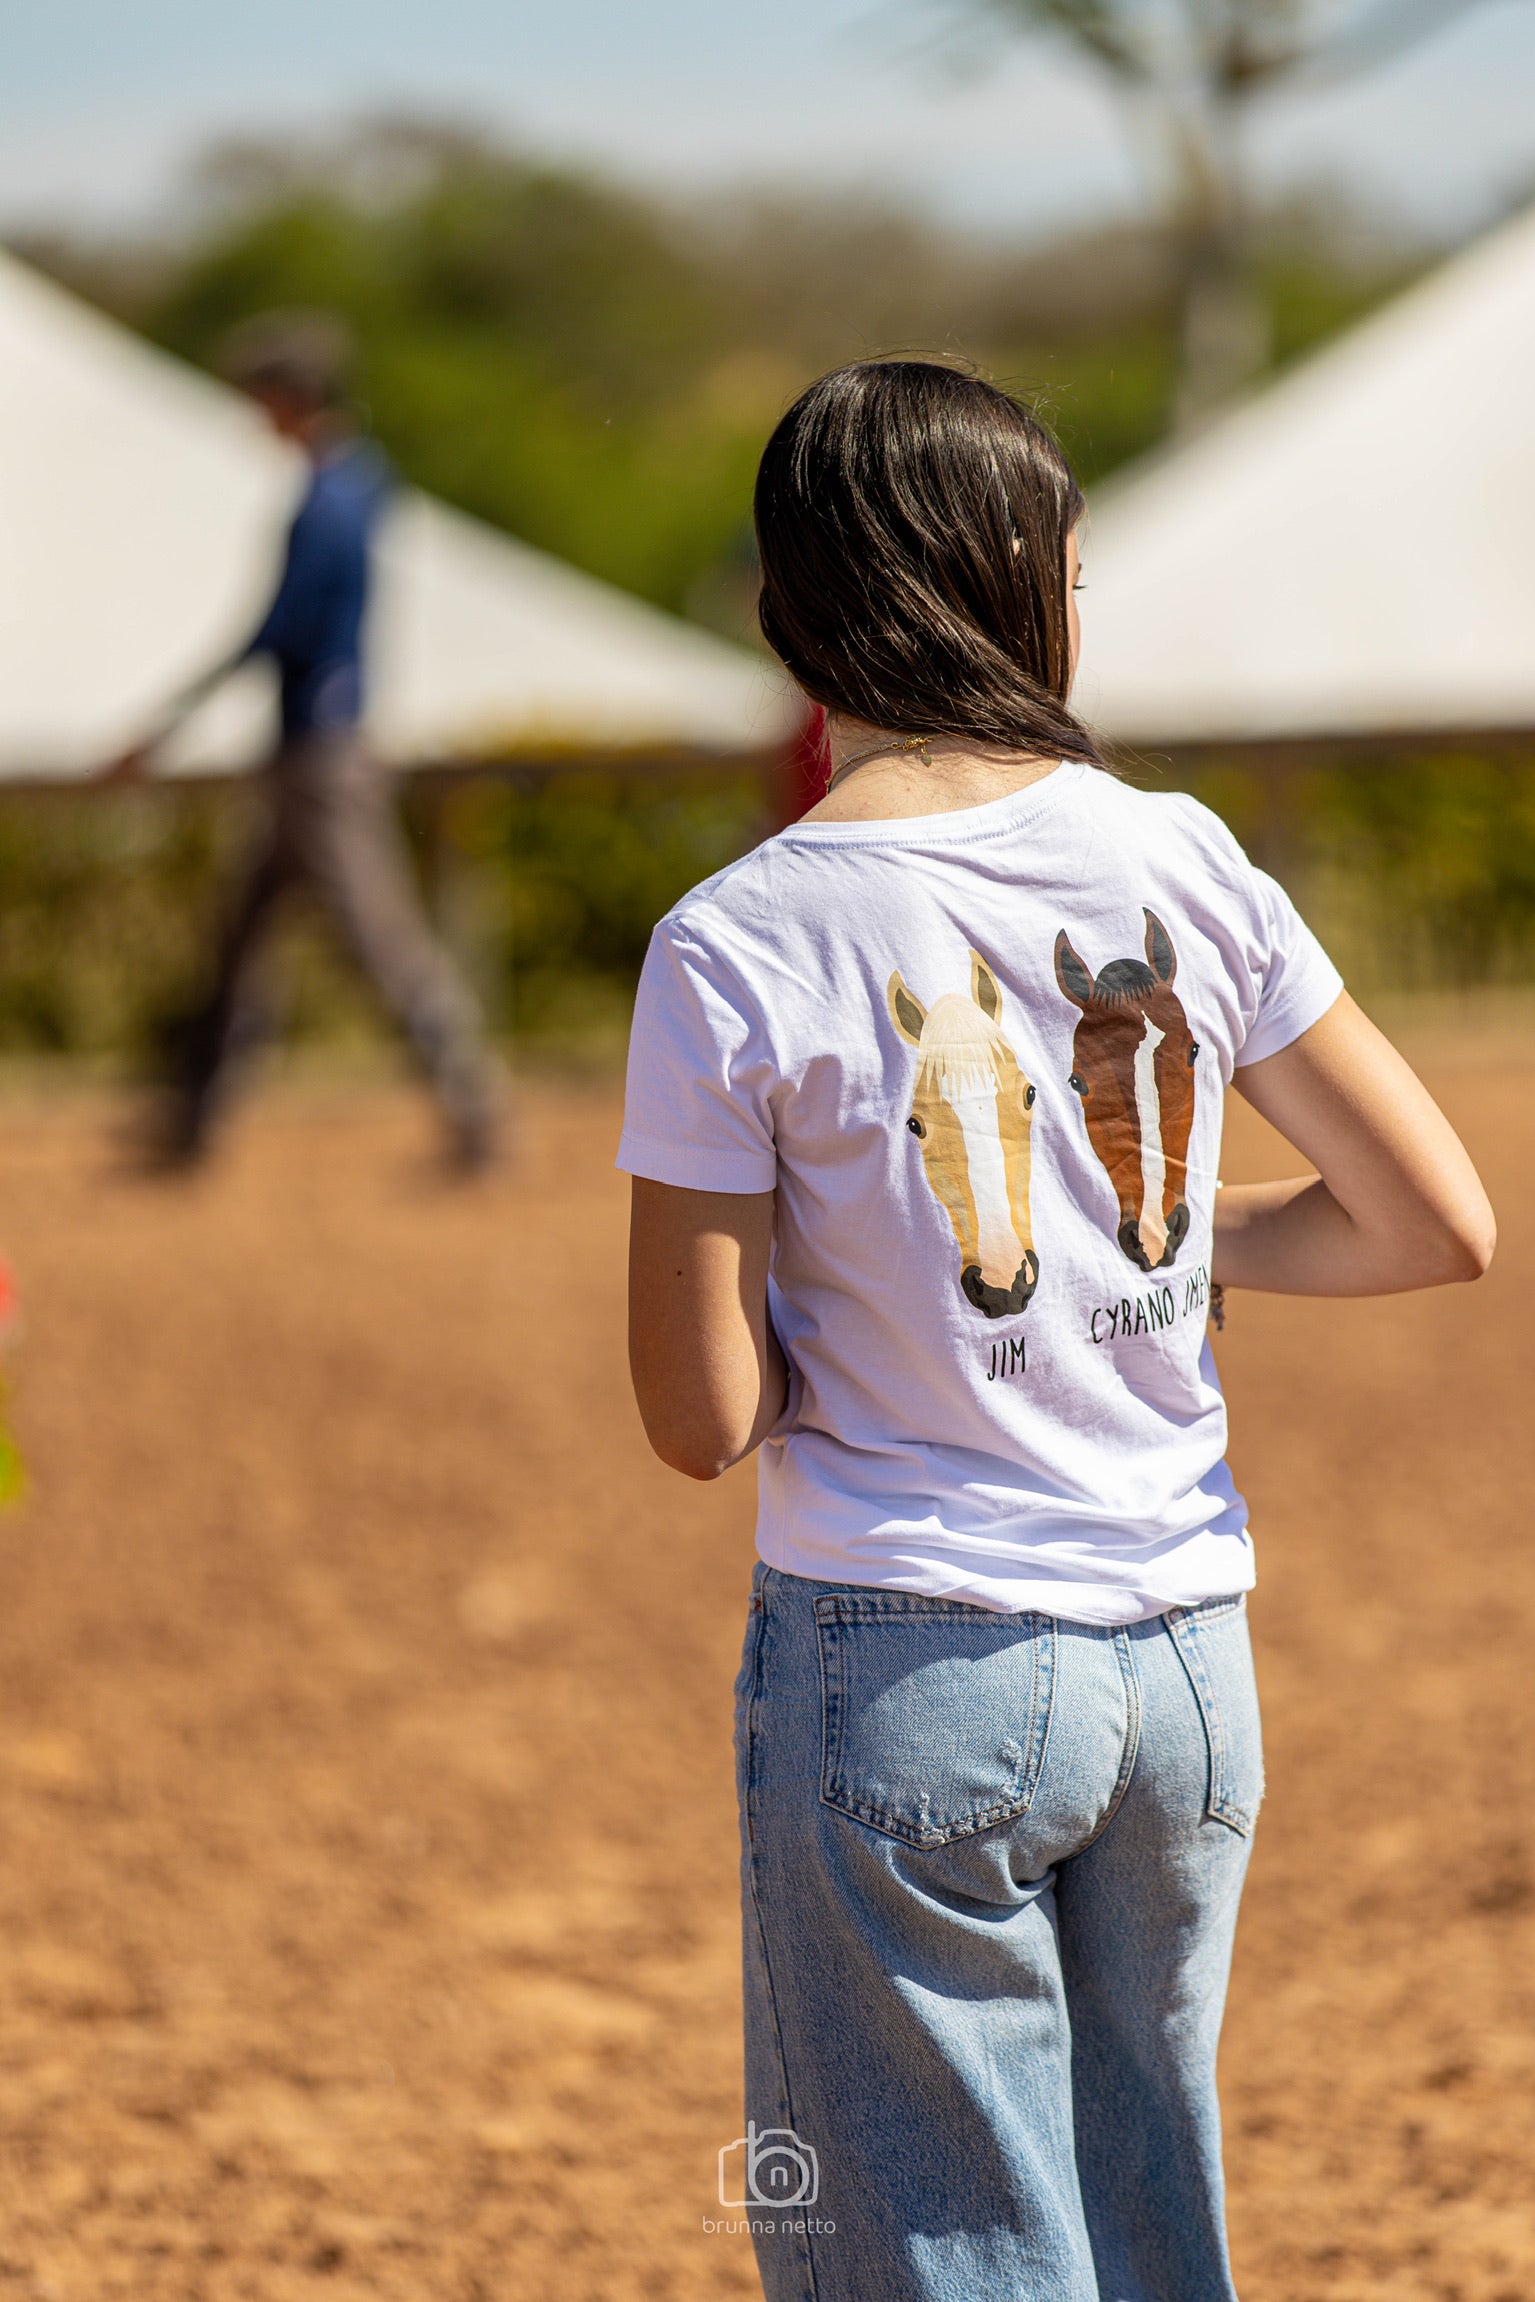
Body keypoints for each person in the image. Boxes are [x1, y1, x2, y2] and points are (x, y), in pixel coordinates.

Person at [619, 361, 1495, 2302]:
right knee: (1145, 2219)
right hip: (1185, 1667)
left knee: (934, 2247)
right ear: (1040, 592)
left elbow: (698, 1413)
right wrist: (1147, 1250)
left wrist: (874, 1283)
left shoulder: (733, 937)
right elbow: (1431, 1219)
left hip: (907, 1653)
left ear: (789, 617)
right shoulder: (1181, 855)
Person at [111, 313, 500, 1170]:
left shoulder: (329, 498)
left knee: (379, 941)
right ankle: (191, 1120)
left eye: (260, 399)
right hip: (309, 750)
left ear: (290, 398)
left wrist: (171, 717)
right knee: (241, 941)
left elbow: (278, 629)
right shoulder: (359, 482)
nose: (254, 418)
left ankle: (475, 1110)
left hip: (320, 761)